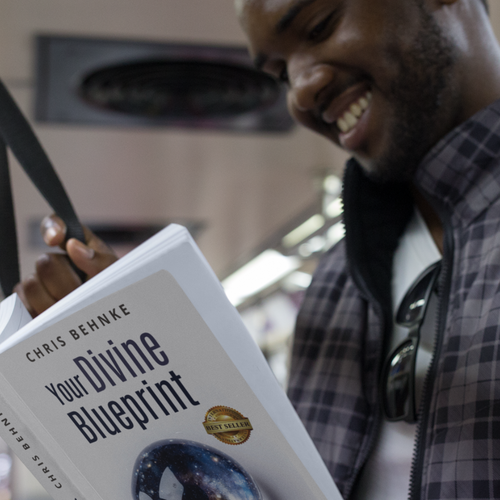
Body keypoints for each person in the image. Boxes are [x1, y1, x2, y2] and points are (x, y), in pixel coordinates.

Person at [15, 0, 500, 498]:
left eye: (320, 26)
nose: (301, 92)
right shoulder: (337, 281)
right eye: (281, 74)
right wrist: (124, 335)